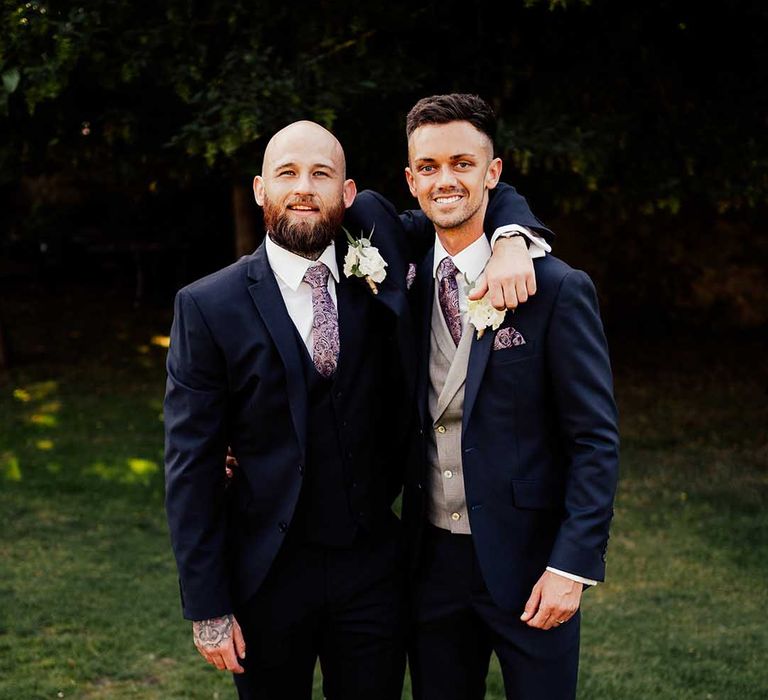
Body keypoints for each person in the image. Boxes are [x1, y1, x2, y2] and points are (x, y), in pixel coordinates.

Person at [163, 119, 551, 699]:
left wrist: (513, 236)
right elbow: (189, 465)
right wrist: (207, 603)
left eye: (321, 175)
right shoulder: (206, 305)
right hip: (265, 574)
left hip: (374, 569)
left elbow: (465, 195)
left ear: (348, 195)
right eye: (287, 173)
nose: (303, 187)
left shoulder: (379, 248)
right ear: (258, 189)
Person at [396, 94, 620, 700]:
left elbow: (594, 440)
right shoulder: (397, 269)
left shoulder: (556, 288)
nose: (446, 180)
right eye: (430, 166)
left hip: (531, 563)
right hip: (430, 563)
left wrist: (571, 568)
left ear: (493, 173)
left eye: (464, 163)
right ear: (412, 178)